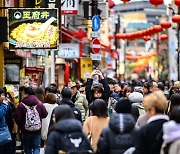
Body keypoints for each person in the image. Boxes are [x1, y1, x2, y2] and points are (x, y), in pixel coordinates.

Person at [15, 87, 48, 154]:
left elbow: (17, 117)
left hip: (25, 130)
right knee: (36, 147)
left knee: (27, 148)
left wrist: (21, 125)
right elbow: (45, 114)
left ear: (26, 94)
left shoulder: (21, 105)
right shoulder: (39, 103)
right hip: (37, 130)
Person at [0, 88, 13, 154]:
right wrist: (4, 105)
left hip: (5, 134)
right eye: (2, 95)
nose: (4, 97)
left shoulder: (4, 105)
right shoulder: (3, 106)